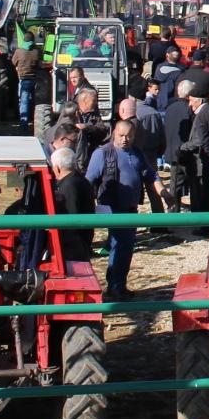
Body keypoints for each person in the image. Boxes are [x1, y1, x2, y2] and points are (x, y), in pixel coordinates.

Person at [86, 120, 149, 301]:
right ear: (114, 133)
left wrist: (163, 191)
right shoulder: (102, 153)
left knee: (125, 247)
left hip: (130, 208)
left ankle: (118, 285)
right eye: (121, 135)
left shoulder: (136, 153)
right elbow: (89, 179)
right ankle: (115, 287)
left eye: (129, 136)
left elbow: (149, 173)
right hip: (112, 208)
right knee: (121, 244)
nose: (125, 139)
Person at [50, 146, 97, 263]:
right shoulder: (80, 180)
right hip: (82, 240)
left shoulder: (68, 186)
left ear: (57, 168)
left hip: (73, 246)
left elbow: (70, 216)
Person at [12, 35, 43, 128]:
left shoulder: (19, 51)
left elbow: (13, 62)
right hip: (35, 79)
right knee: (35, 102)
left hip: (23, 79)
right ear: (33, 41)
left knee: (23, 102)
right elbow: (40, 64)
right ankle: (35, 122)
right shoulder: (37, 51)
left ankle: (23, 124)